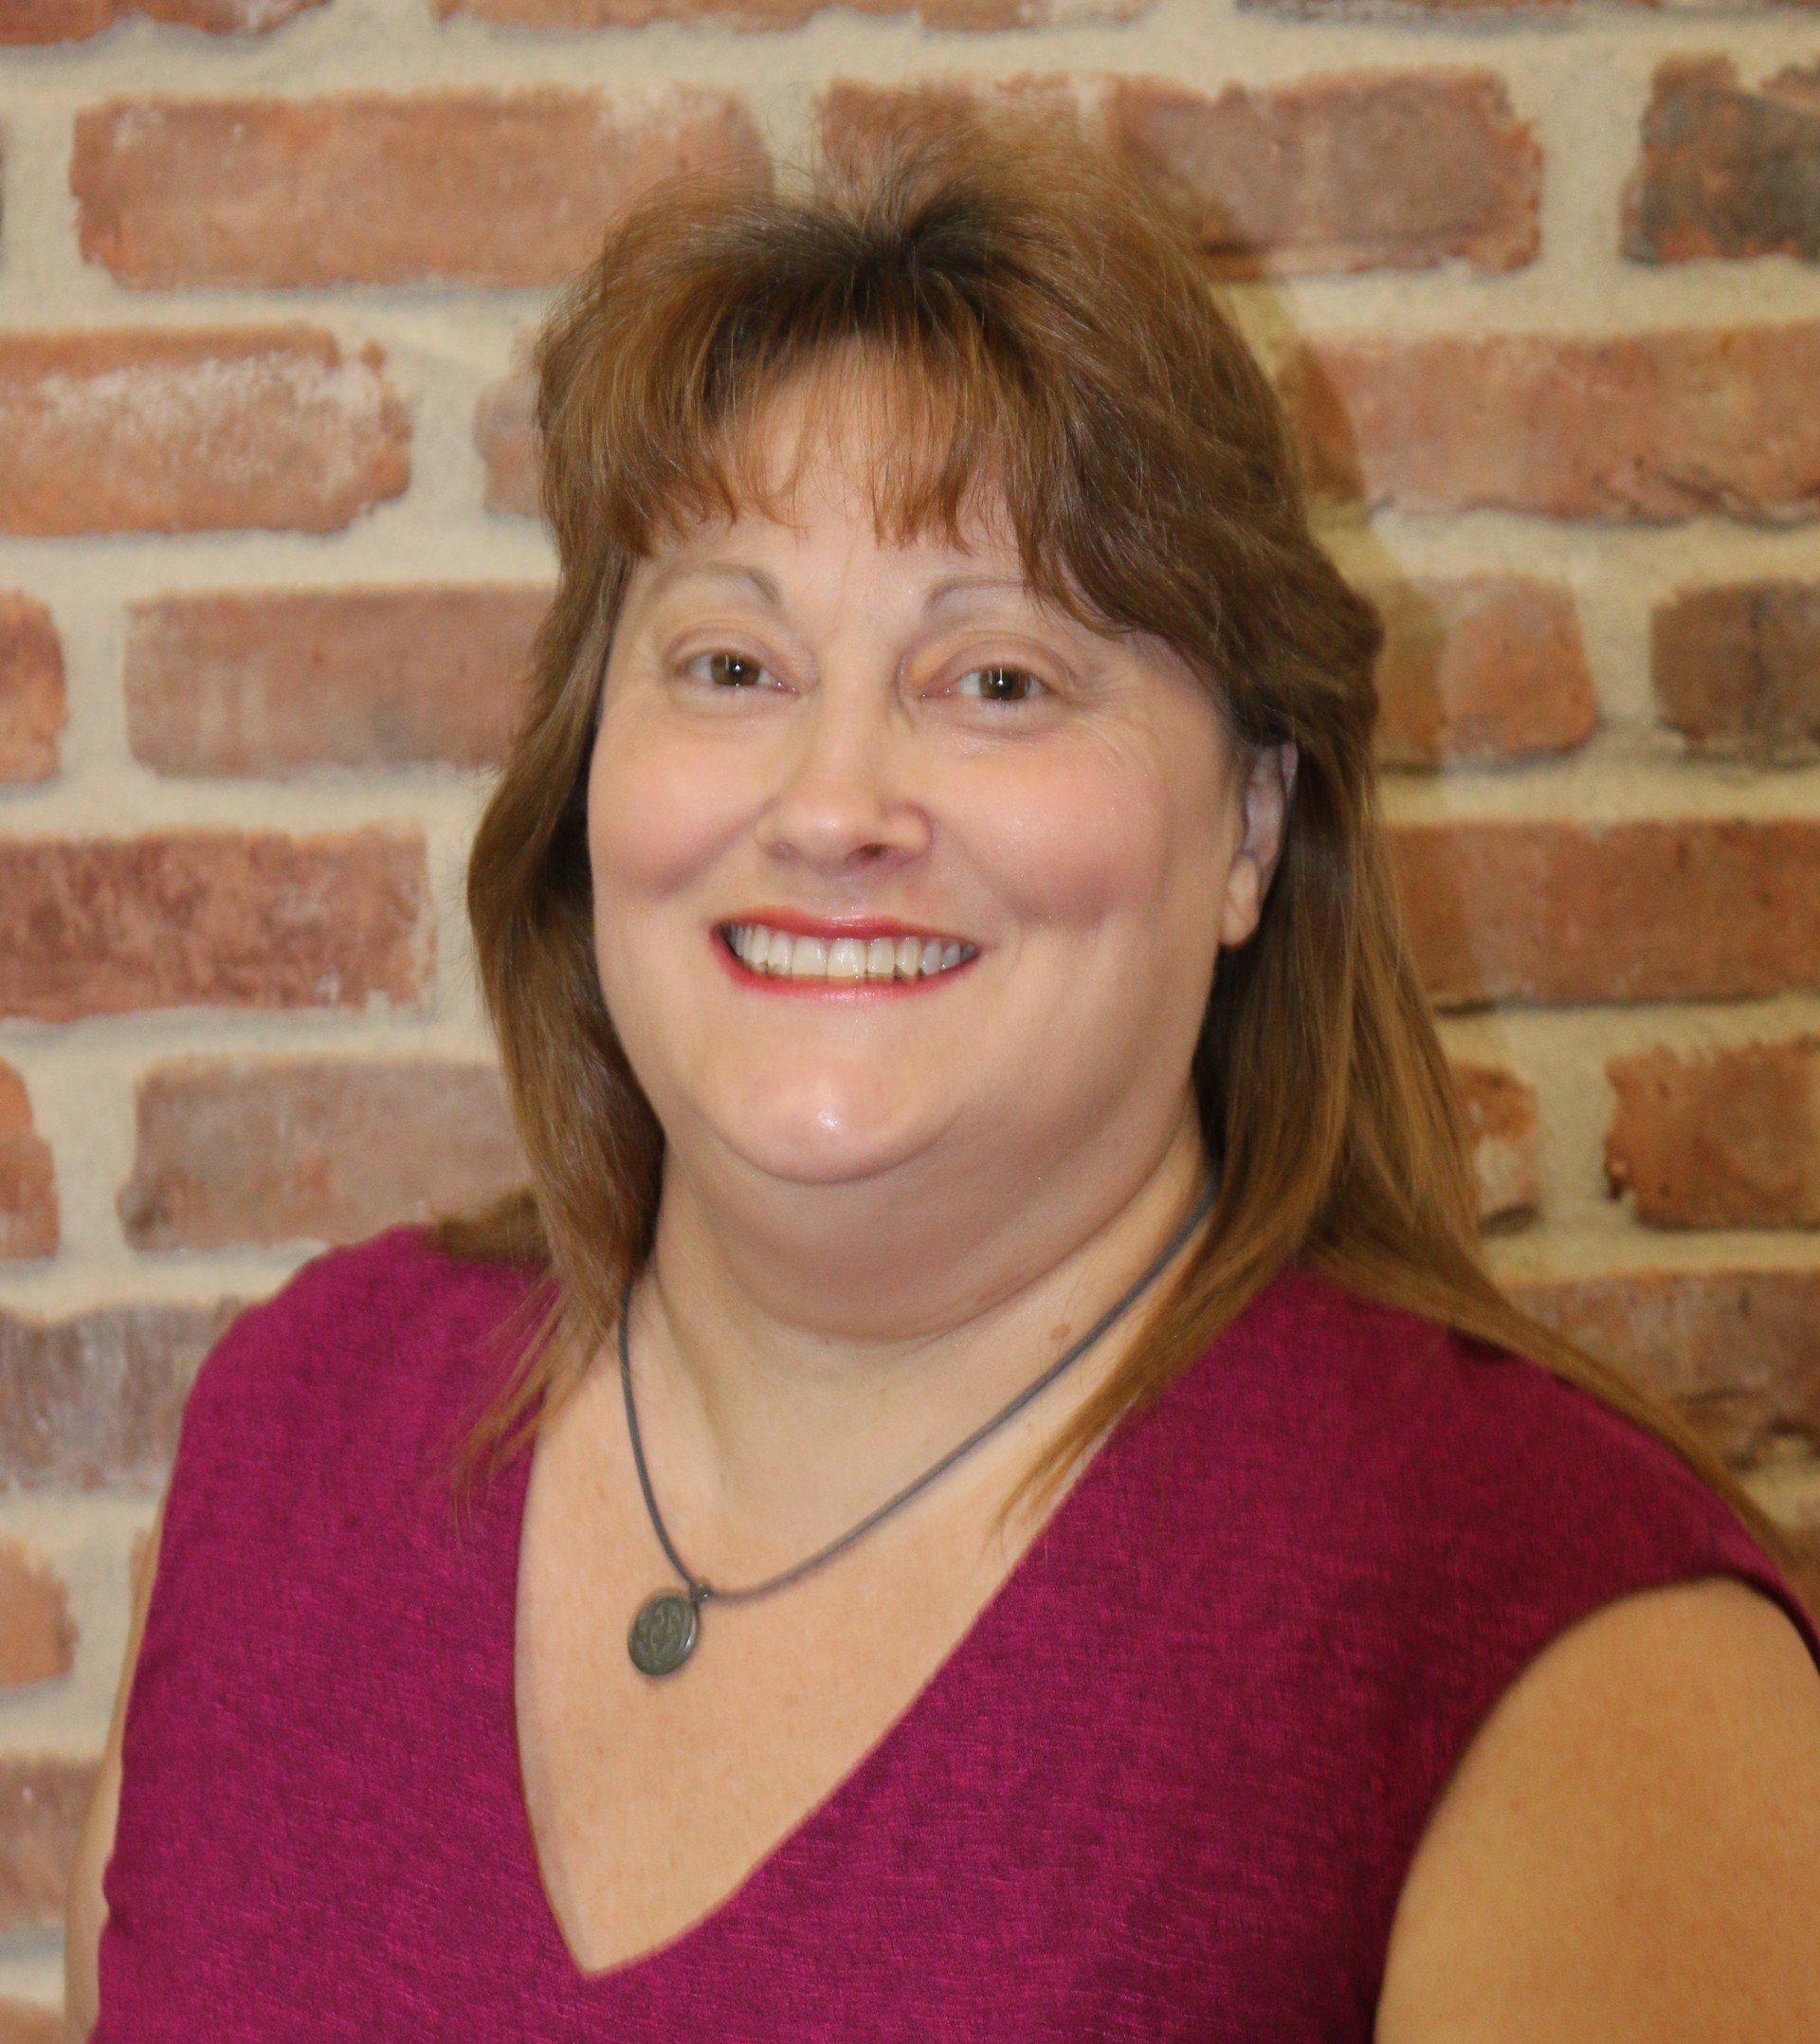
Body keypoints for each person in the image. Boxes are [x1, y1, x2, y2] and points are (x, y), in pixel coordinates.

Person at [64, 102, 1820, 2041]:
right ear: (587, 774)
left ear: (1252, 826)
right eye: (731, 665)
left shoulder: (1568, 1634)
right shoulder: (295, 1431)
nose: (832, 805)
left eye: (999, 678)